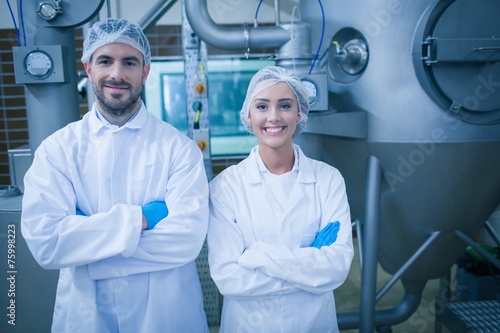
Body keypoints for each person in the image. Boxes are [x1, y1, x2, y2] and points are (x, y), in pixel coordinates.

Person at [21, 18, 209, 333]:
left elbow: (186, 241)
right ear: (88, 67)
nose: (117, 74)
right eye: (105, 60)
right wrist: (140, 220)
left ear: (145, 72)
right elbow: (46, 242)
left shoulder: (180, 150)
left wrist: (85, 244)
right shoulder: (58, 151)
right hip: (86, 317)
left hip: (166, 317)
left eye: (129, 62)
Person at [207, 66, 354, 332]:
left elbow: (337, 268)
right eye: (262, 106)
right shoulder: (225, 187)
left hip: (313, 324)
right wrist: (310, 268)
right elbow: (228, 277)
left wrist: (257, 256)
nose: (273, 117)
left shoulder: (328, 180)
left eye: (285, 105)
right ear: (249, 116)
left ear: (299, 113)